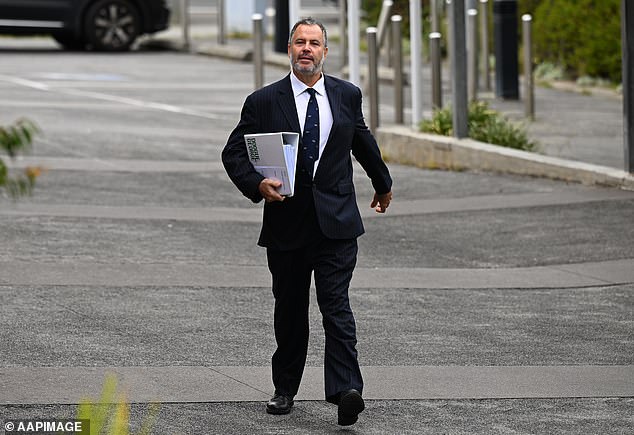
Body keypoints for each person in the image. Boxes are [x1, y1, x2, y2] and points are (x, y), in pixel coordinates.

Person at [222, 17, 392, 427]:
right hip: (287, 223)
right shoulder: (264, 101)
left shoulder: (346, 95)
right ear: (289, 49)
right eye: (300, 42)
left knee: (337, 306)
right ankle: (285, 389)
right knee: (291, 310)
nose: (306, 49)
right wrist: (257, 184)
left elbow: (362, 141)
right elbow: (233, 153)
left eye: (314, 43)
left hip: (336, 222)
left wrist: (383, 183)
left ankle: (347, 390)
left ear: (325, 52)